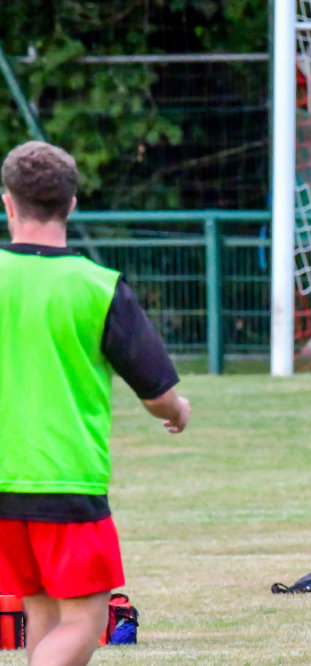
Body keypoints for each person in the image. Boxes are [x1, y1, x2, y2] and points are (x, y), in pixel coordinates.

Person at [0, 141, 191, 665]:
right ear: (73, 205)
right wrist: (179, 412)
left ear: (7, 203)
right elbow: (157, 394)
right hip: (65, 480)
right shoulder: (96, 287)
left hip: (4, 482)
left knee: (42, 613)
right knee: (83, 621)